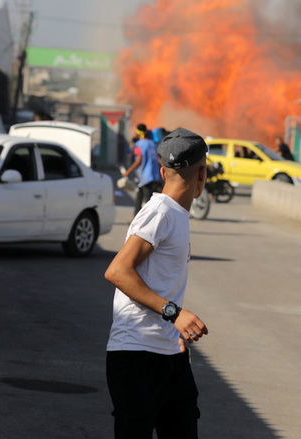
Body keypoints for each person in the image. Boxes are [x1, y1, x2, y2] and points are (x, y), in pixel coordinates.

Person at [105, 128, 210, 438]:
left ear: (163, 171)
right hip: (136, 355)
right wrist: (174, 314)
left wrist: (172, 332)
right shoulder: (160, 212)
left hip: (167, 353)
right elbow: (118, 271)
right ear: (202, 173)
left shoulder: (174, 214)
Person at [121, 123, 163, 215]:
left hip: (145, 178)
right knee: (140, 198)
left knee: (146, 202)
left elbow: (138, 160)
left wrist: (127, 172)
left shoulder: (139, 145)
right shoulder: (152, 143)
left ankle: (145, 222)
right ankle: (136, 219)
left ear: (138, 133)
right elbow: (159, 159)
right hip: (155, 176)